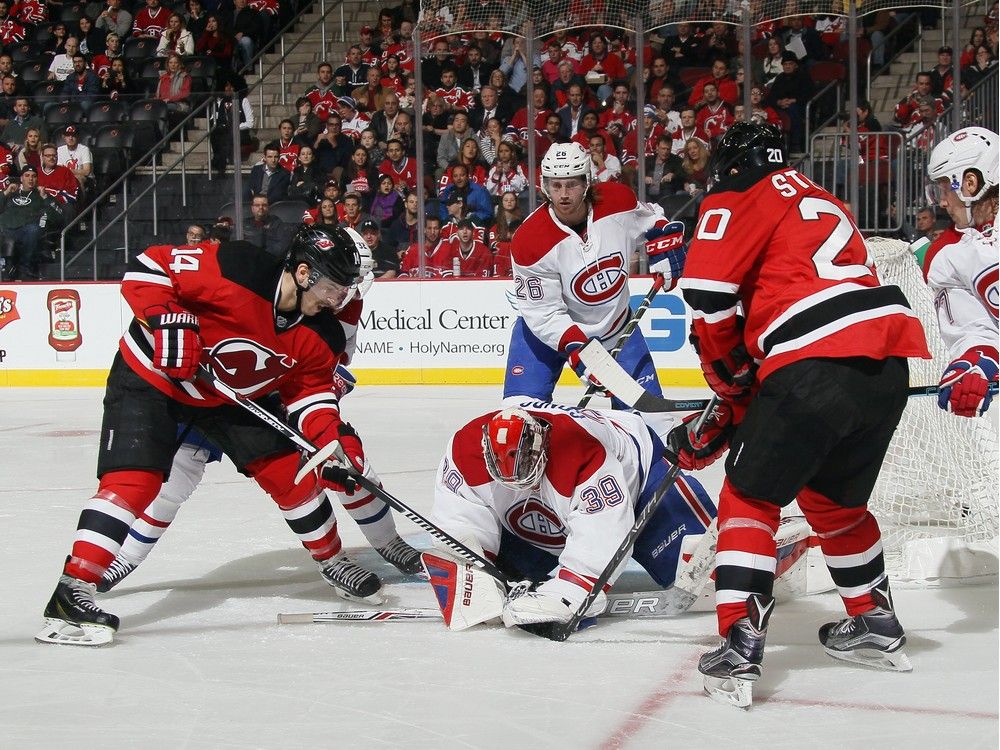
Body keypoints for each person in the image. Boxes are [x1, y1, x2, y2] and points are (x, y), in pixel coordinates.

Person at [34, 226, 409, 646]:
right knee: (134, 483)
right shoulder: (237, 267)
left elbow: (310, 397)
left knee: (294, 476)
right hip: (154, 379)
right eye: (335, 289)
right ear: (304, 273)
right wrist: (165, 320)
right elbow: (149, 268)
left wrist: (334, 447)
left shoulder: (321, 332)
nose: (339, 301)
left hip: (232, 396)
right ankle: (73, 591)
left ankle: (332, 559)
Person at [677, 122, 929, 708]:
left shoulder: (736, 193)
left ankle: (739, 640)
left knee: (748, 498)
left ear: (730, 163)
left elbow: (711, 303)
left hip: (813, 358)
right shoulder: (821, 196)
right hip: (887, 363)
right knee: (832, 503)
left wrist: (732, 392)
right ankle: (873, 618)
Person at [429, 404, 715, 631]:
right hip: (546, 514)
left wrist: (574, 589)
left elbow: (603, 528)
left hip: (642, 482)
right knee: (497, 572)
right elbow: (459, 516)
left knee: (714, 580)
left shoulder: (579, 451)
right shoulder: (464, 453)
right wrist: (470, 569)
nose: (516, 481)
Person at [501, 141, 687, 435]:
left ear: (587, 181)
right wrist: (578, 349)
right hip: (543, 339)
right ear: (544, 186)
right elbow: (544, 313)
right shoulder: (529, 241)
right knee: (517, 426)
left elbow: (651, 220)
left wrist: (663, 242)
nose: (563, 195)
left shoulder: (617, 202)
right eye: (556, 185)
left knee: (655, 429)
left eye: (572, 185)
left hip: (615, 331)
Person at [923, 127, 999, 419]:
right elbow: (976, 327)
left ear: (970, 182)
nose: (942, 201)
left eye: (944, 187)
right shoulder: (951, 254)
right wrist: (981, 356)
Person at [0, 166, 61, 280]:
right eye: (27, 176)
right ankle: (4, 267)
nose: (30, 179)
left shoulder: (41, 195)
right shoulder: (11, 193)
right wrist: (6, 192)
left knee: (33, 230)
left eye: (33, 176)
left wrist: (45, 197)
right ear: (21, 178)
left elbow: (58, 216)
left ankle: (25, 267)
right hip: (6, 229)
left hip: (27, 230)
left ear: (37, 179)